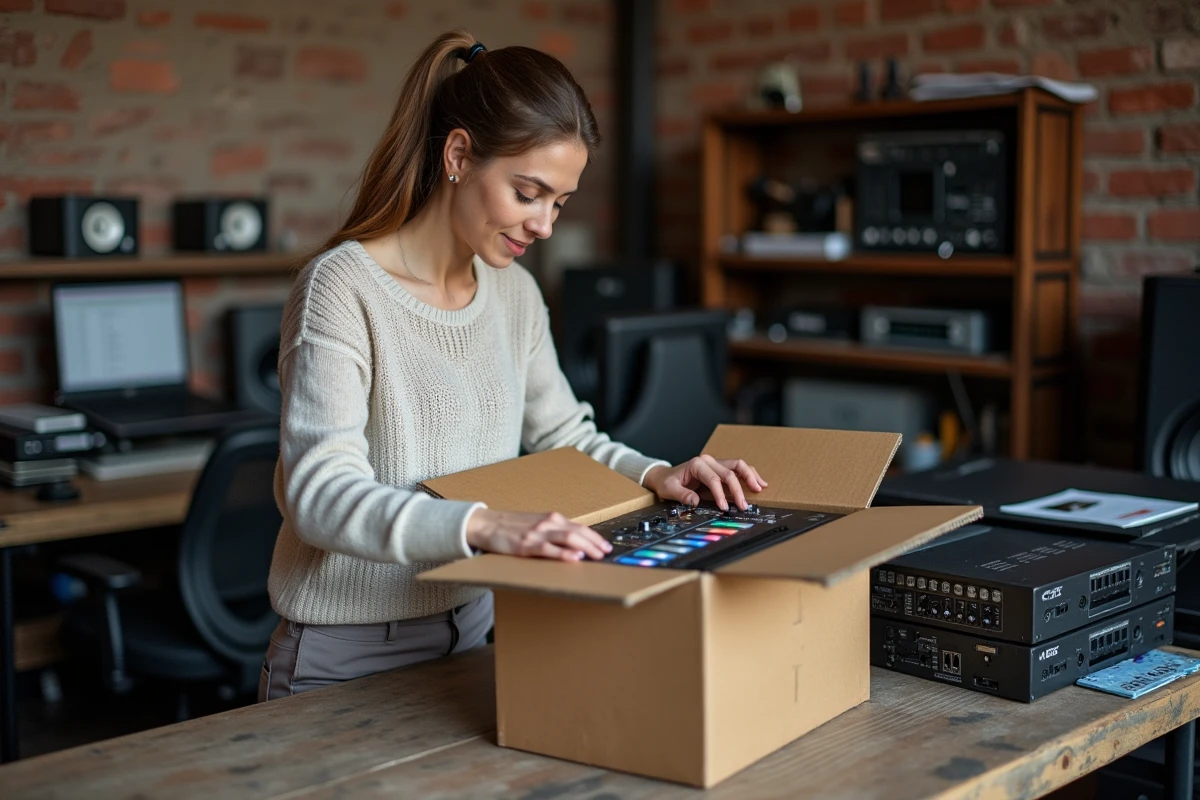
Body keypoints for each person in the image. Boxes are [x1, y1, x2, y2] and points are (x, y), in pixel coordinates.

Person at [258, 30, 767, 702]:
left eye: (559, 202)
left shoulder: (515, 293)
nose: (546, 225)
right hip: (344, 654)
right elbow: (317, 495)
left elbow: (564, 437)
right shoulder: (341, 288)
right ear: (460, 155)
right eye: (528, 193)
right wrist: (484, 525)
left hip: (478, 631)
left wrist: (657, 474)